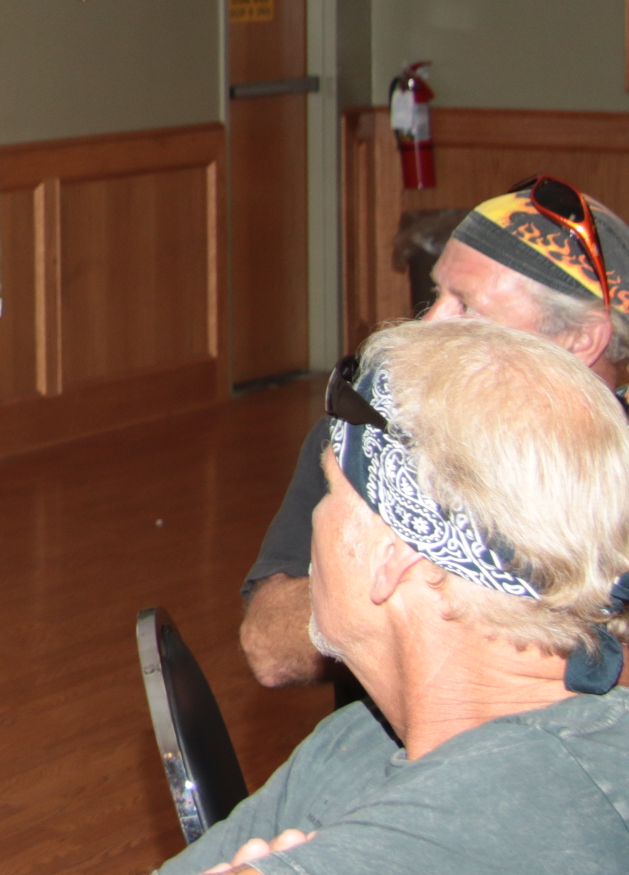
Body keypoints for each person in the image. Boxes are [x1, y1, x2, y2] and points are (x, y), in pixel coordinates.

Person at [164, 319, 629, 873]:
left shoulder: (514, 811)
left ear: (394, 555)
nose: (312, 524)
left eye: (331, 490)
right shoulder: (364, 737)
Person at [241, 183, 629, 688]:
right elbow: (269, 647)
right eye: (437, 292)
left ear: (581, 337)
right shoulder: (372, 433)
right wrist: (423, 571)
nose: (429, 324)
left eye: (467, 307)